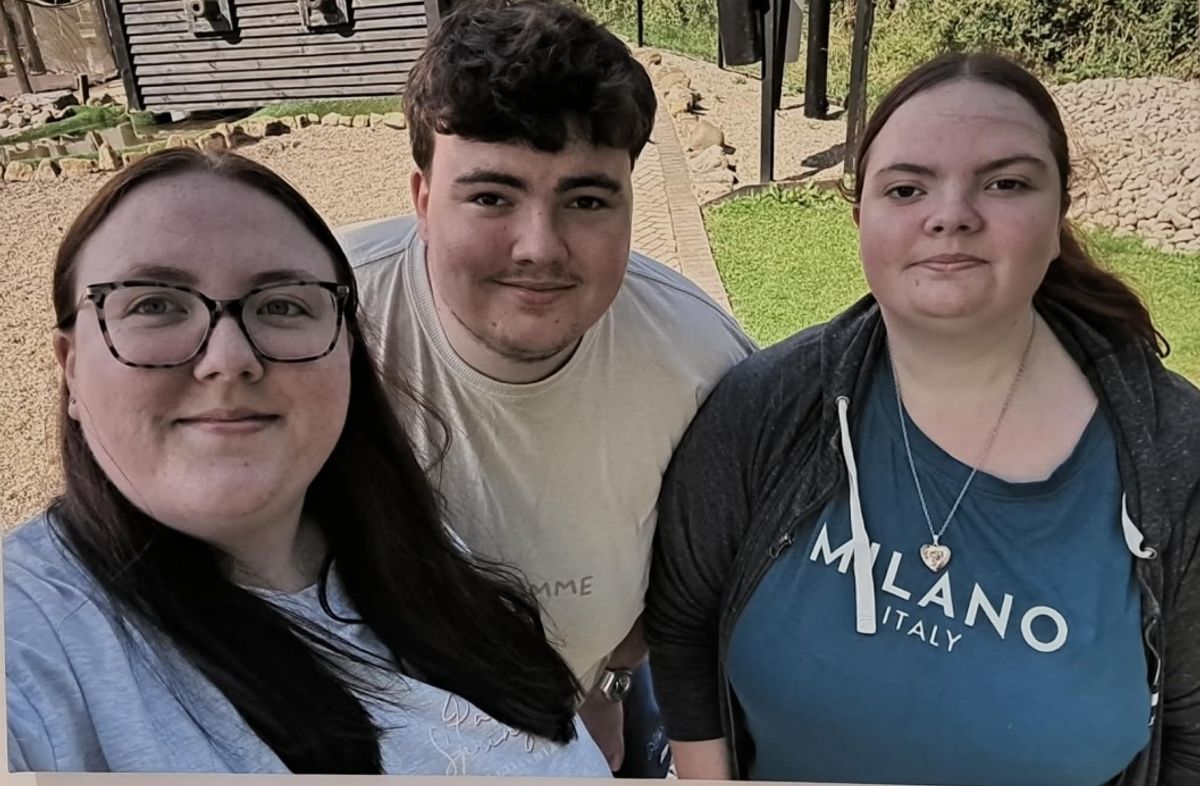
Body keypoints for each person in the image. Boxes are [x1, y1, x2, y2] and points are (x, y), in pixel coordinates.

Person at [645, 51, 1200, 785]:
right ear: (860, 218)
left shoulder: (1176, 457)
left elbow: (1192, 733)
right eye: (907, 188)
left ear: (1059, 211)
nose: (951, 216)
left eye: (1005, 183)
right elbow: (684, 622)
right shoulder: (765, 407)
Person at [4, 148, 612, 777]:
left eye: (282, 304)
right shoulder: (30, 641)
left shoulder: (411, 551)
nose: (229, 358)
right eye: (153, 304)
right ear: (71, 368)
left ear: (346, 348)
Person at [335, 0, 755, 775]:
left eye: (587, 200)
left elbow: (703, 569)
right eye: (491, 197)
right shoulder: (320, 329)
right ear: (423, 201)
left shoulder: (702, 361)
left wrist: (610, 682)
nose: (539, 247)